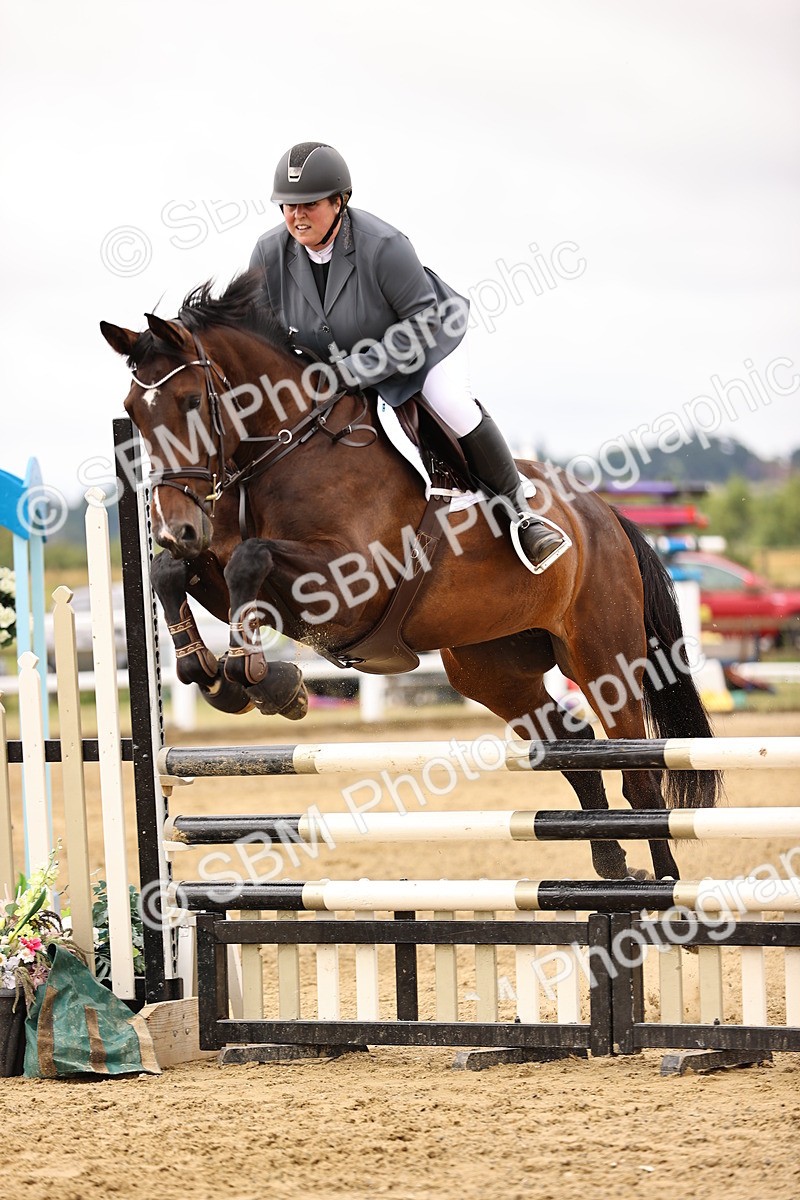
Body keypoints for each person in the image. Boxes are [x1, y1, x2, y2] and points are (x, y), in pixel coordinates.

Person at [249, 141, 566, 571]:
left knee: (450, 401)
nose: (296, 216)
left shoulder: (383, 245)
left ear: (340, 201)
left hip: (425, 340)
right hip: (336, 358)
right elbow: (258, 332)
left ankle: (521, 515)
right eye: (287, 205)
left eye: (309, 204)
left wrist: (353, 369)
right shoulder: (269, 254)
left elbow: (421, 324)